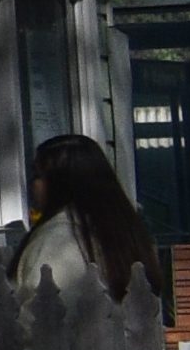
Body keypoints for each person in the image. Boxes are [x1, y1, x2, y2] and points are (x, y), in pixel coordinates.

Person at [12, 132, 157, 310]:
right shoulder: (124, 232)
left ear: (61, 182)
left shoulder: (58, 239)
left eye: (37, 175)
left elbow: (36, 317)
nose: (32, 184)